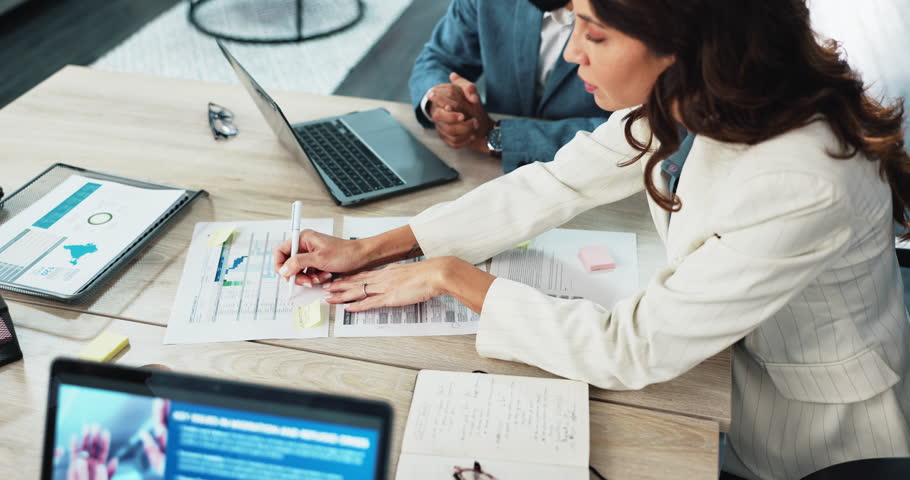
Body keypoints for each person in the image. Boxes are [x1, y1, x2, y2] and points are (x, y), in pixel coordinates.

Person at [276, 0, 910, 478]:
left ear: (681, 44)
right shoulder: (693, 96)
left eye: (595, 33)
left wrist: (450, 277)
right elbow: (553, 185)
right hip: (722, 371)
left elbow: (631, 348)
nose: (575, 50)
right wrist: (373, 247)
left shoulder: (800, 179)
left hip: (810, 439)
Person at [409, 0, 611, 173]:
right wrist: (442, 103)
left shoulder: (629, 13)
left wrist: (500, 137)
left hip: (598, 176)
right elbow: (439, 58)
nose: (572, 53)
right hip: (487, 169)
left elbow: (636, 130)